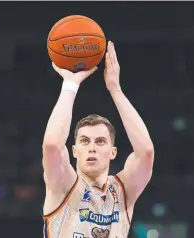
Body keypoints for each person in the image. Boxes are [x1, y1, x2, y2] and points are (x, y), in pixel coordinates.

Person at [42, 41, 154, 238]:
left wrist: (115, 90)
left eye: (100, 141)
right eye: (85, 141)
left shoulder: (122, 192)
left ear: (113, 152)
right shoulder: (64, 185)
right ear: (74, 151)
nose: (92, 147)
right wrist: (70, 84)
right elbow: (52, 145)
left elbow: (145, 152)